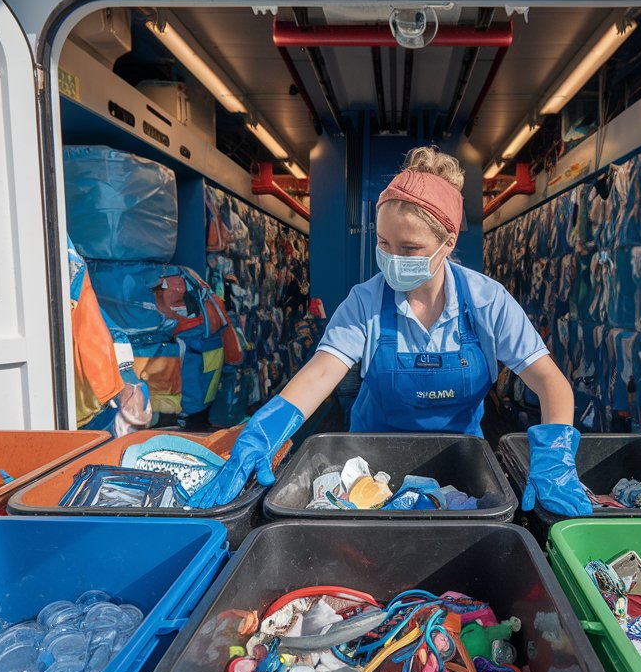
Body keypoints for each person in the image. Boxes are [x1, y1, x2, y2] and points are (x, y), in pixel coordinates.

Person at [190, 147, 592, 516]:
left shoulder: (488, 302)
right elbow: (319, 374)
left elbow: (550, 382)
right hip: (369, 466)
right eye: (384, 243)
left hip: (459, 463)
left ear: (448, 242)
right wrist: (263, 431)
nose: (393, 259)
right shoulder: (365, 302)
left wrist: (555, 460)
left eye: (410, 248)